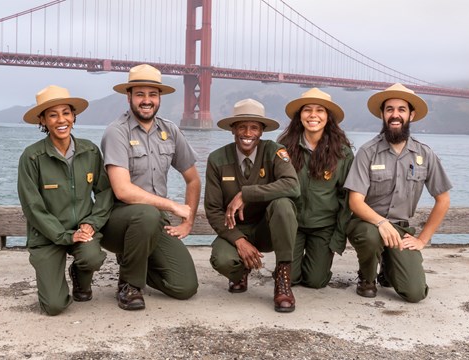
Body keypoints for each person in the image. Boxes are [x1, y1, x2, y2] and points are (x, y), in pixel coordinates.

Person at [100, 64, 200, 311]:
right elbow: (123, 191)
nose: (147, 101)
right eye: (140, 94)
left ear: (159, 98)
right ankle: (129, 285)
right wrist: (172, 206)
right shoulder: (117, 132)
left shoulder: (170, 130)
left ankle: (133, 260)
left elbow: (193, 179)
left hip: (156, 223)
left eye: (152, 95)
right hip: (119, 222)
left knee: (185, 287)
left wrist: (188, 221)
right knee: (146, 213)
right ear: (129, 97)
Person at [344, 83, 452, 302]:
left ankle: (388, 268)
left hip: (400, 231)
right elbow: (355, 202)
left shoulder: (425, 153)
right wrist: (381, 223)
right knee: (369, 235)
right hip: (368, 224)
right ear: (383, 115)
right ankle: (366, 278)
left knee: (415, 294)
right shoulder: (367, 151)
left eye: (401, 110)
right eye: (389, 109)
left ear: (411, 114)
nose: (395, 115)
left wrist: (422, 239)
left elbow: (443, 199)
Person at [17, 85, 113, 316]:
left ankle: (79, 276)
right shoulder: (31, 157)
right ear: (42, 120)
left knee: (92, 257)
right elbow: (33, 207)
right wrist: (64, 235)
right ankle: (54, 280)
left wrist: (92, 222)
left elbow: (104, 191)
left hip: (82, 230)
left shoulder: (90, 151)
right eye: (53, 114)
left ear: (74, 116)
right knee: (54, 307)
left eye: (66, 113)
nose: (61, 120)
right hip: (48, 236)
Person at [205, 98, 300, 313]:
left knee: (283, 205)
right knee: (221, 260)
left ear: (262, 131)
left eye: (254, 127)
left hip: (267, 228)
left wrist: (247, 194)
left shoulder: (275, 151)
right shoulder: (217, 159)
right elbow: (212, 210)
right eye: (242, 127)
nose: (248, 133)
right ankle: (241, 272)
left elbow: (293, 186)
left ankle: (283, 277)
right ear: (232, 129)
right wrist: (239, 240)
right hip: (235, 229)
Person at [278, 88, 354, 289]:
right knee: (290, 279)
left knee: (315, 281)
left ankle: (316, 262)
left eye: (320, 110)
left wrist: (338, 239)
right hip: (292, 225)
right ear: (299, 116)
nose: (313, 115)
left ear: (328, 117)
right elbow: (274, 188)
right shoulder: (283, 148)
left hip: (324, 226)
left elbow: (347, 199)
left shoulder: (342, 153)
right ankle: (292, 261)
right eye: (307, 110)